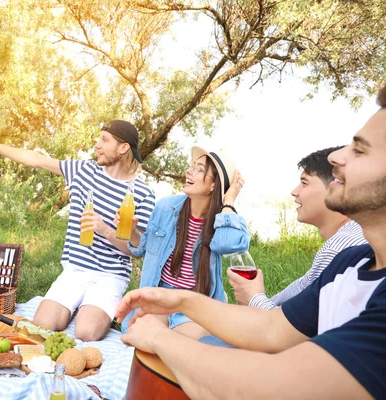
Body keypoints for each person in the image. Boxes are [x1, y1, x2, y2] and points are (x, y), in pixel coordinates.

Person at [116, 86, 386, 399]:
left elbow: (273, 386)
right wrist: (179, 300)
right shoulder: (348, 264)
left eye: (360, 150)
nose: (336, 157)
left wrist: (161, 338)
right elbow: (270, 328)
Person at [0, 120, 155, 341]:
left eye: (104, 140)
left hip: (110, 275)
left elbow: (137, 250)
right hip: (75, 270)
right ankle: (79, 306)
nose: (97, 145)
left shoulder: (142, 194)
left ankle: (87, 310)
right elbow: (35, 159)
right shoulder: (83, 171)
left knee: (87, 333)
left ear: (123, 148)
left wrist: (106, 230)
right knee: (43, 326)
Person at [120, 146, 249, 339]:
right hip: (161, 296)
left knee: (186, 345)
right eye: (192, 166)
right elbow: (143, 248)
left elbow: (229, 244)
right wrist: (131, 232)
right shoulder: (166, 207)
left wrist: (229, 200)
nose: (189, 171)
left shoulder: (221, 220)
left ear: (213, 185)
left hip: (194, 303)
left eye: (198, 169)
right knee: (142, 335)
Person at [229, 146, 367, 309]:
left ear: (337, 188)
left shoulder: (339, 250)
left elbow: (296, 331)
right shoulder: (354, 236)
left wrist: (253, 298)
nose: (294, 192)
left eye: (304, 183)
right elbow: (300, 288)